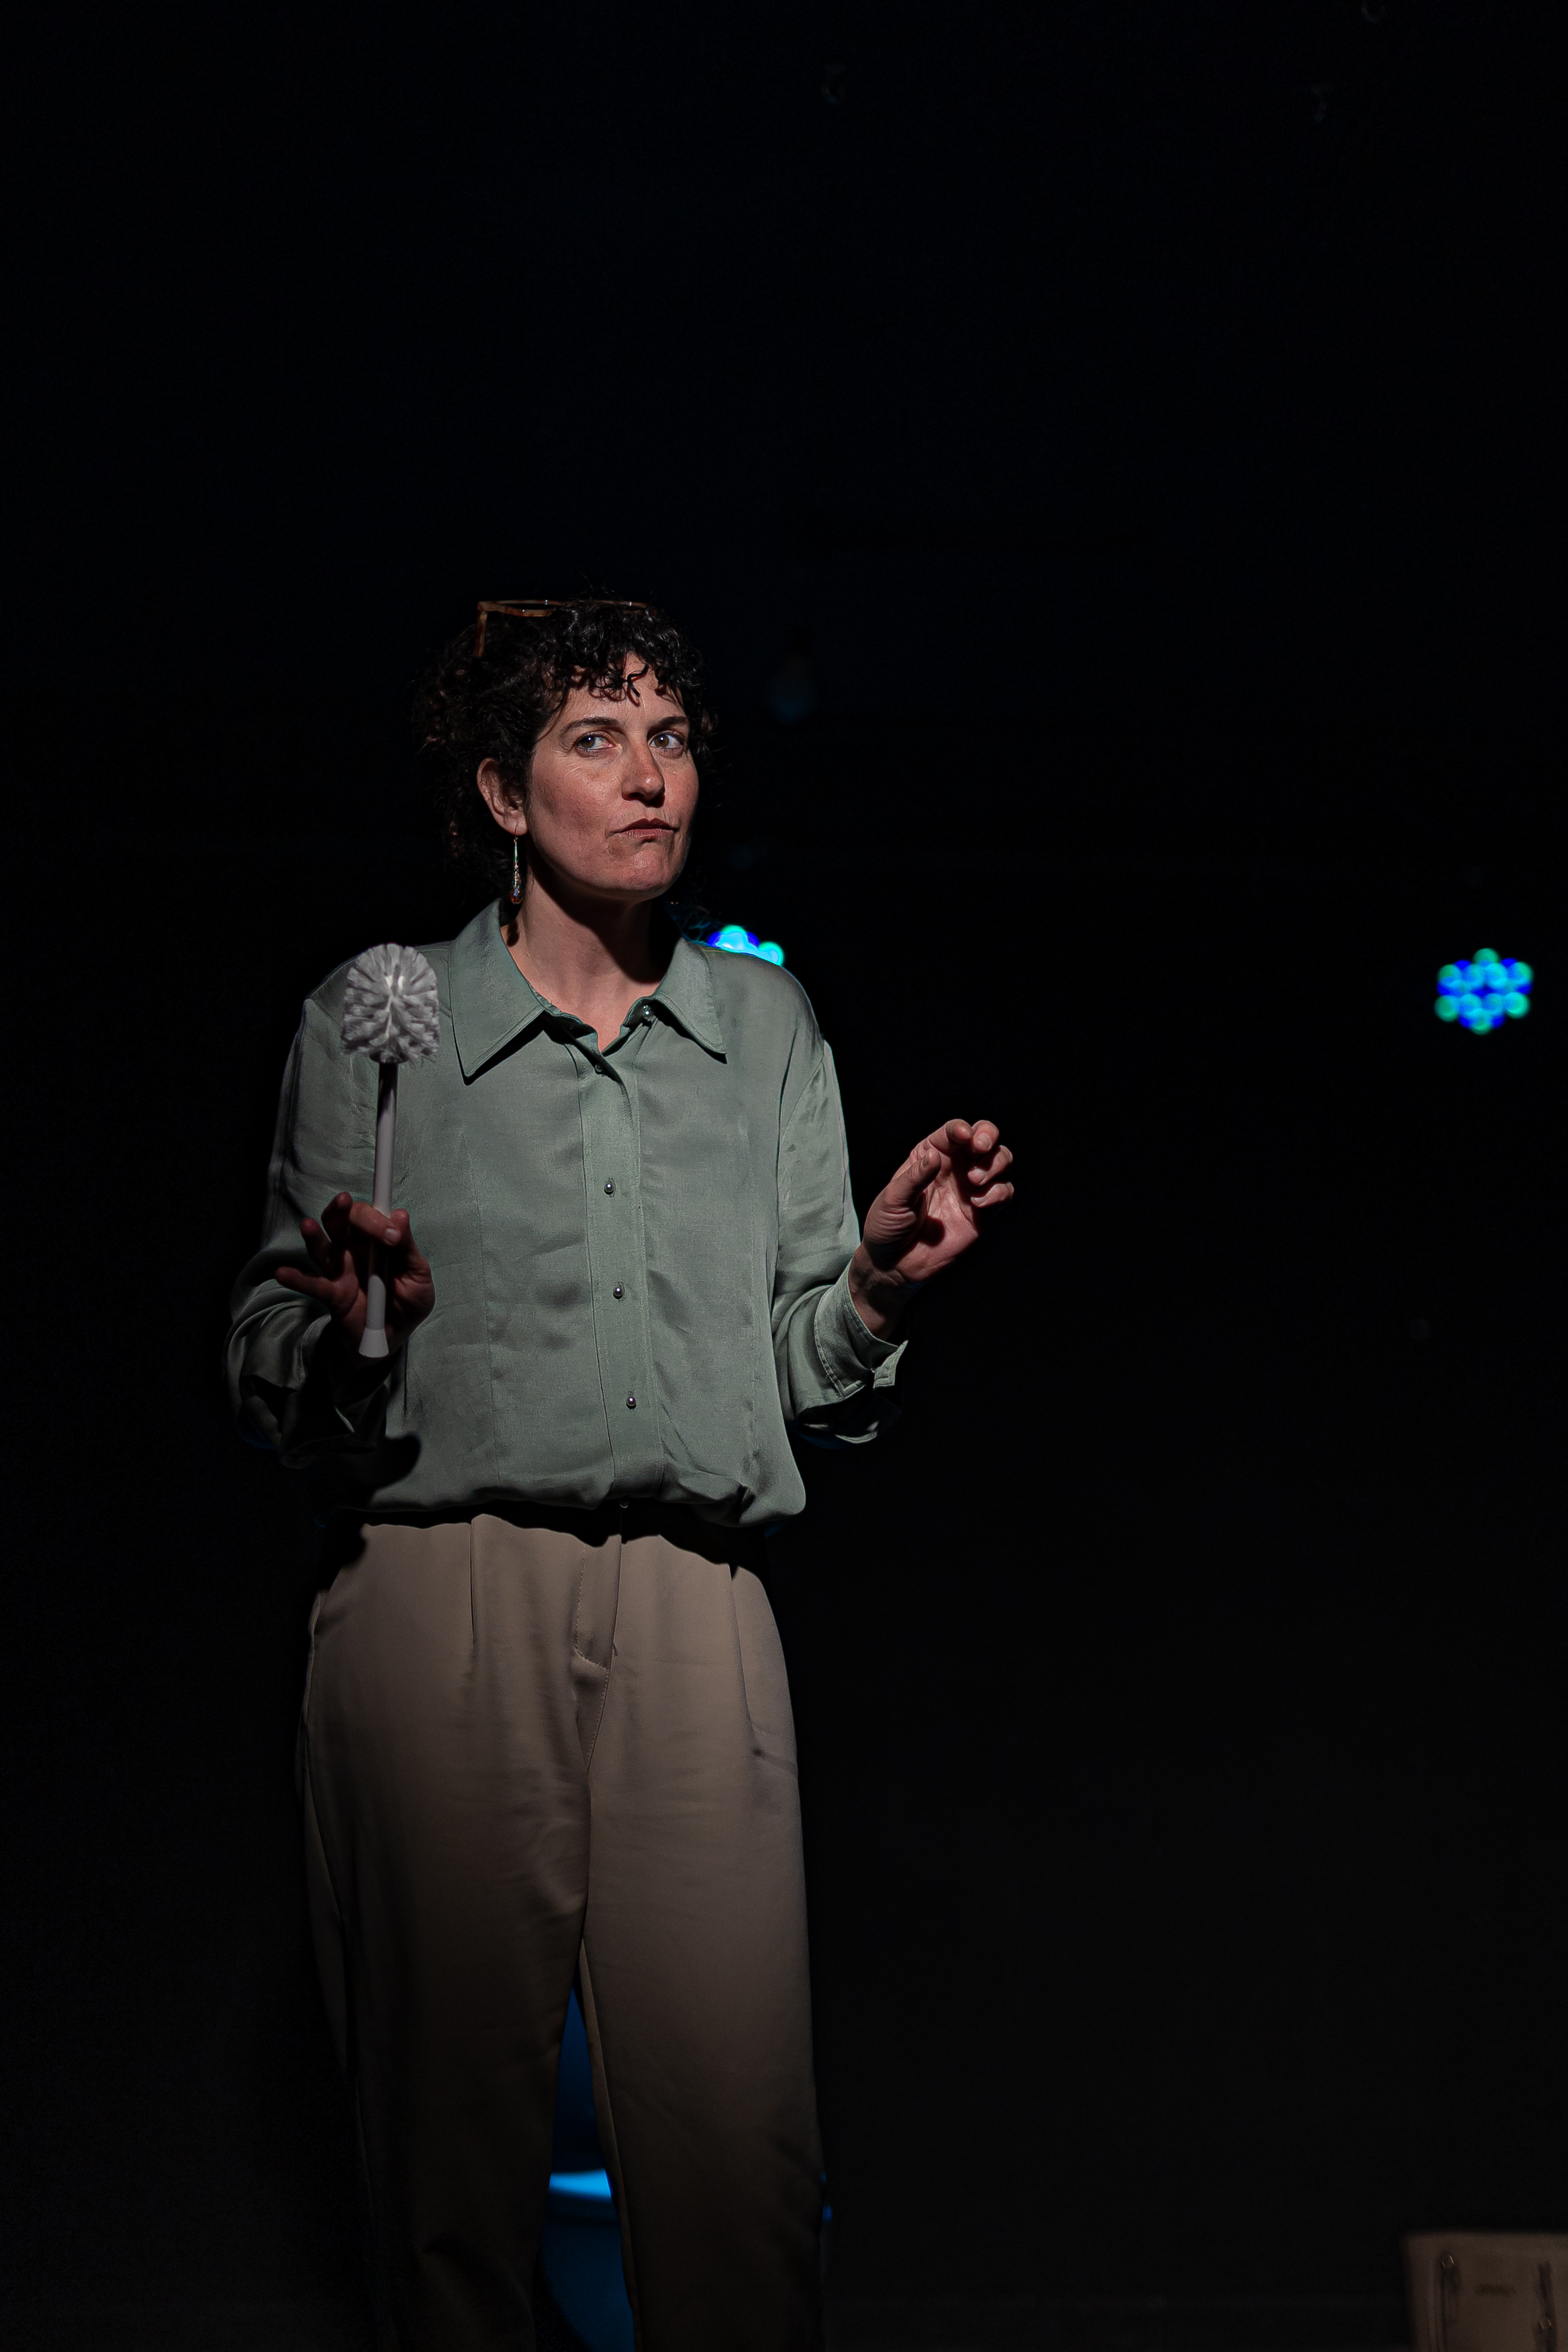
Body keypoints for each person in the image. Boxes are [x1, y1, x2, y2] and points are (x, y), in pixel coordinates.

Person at [226, 598, 1014, 2351]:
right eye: (595, 738)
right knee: (446, 2162)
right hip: (441, 1592)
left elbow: (800, 1375)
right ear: (504, 792)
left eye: (669, 737)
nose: (649, 774)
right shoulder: (383, 1017)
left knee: (741, 2156)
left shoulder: (763, 1022)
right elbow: (265, 1361)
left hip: (695, 1605)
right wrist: (351, 1326)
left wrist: (875, 1286)